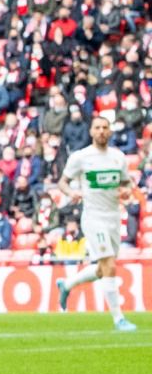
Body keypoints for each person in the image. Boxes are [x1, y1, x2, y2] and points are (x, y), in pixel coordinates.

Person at [56, 116, 137, 331]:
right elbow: (62, 182)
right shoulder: (81, 157)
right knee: (110, 265)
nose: (101, 131)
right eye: (97, 128)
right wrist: (72, 192)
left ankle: (67, 284)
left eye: (105, 128)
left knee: (103, 269)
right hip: (93, 218)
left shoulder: (118, 157)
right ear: (91, 132)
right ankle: (118, 318)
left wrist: (128, 189)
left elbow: (126, 182)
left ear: (110, 132)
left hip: (113, 217)